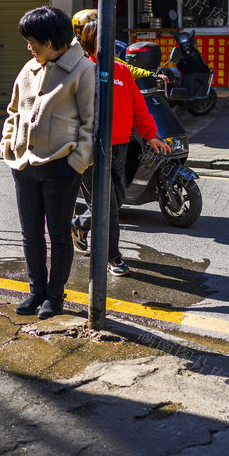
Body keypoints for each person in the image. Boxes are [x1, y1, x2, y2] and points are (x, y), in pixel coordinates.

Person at [2, 6, 95, 320]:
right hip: (24, 164)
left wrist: (76, 164)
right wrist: (8, 146)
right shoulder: (29, 67)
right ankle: (36, 292)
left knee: (58, 235)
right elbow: (13, 112)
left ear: (52, 41)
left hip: (60, 167)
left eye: (33, 41)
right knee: (30, 233)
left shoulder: (83, 70)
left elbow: (90, 125)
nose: (29, 46)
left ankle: (54, 297)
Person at [70, 17, 171, 276]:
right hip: (90, 150)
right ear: (89, 44)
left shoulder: (122, 72)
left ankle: (80, 225)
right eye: (99, 41)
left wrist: (151, 135)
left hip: (119, 147)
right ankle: (112, 257)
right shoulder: (82, 71)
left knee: (115, 202)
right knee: (107, 206)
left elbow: (139, 107)